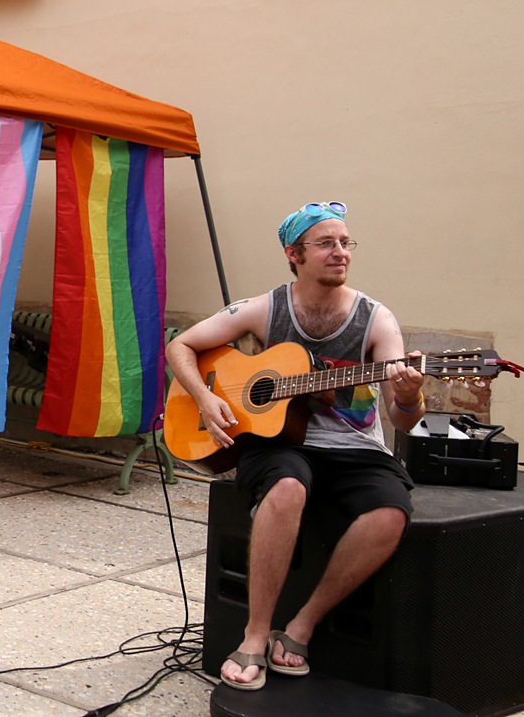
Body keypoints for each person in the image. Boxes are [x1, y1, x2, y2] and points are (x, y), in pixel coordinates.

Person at [164, 201, 426, 691]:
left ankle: (302, 626)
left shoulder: (376, 319)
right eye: (326, 243)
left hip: (356, 447)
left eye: (346, 243)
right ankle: (255, 637)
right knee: (287, 488)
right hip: (281, 441)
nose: (340, 252)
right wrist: (203, 398)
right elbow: (181, 346)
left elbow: (403, 420)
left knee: (391, 513)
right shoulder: (264, 308)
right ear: (294, 253)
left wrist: (410, 396)